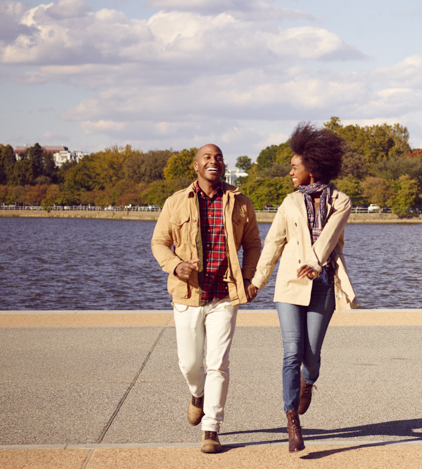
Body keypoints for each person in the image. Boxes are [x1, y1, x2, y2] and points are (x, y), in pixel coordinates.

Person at [250, 123, 358, 452]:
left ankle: (308, 382)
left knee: (311, 359)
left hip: (322, 285)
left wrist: (314, 263)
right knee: (291, 350)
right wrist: (257, 281)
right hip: (289, 286)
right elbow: (272, 244)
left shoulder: (341, 201)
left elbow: (327, 240)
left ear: (311, 169)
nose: (289, 172)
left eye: (294, 167)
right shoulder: (288, 203)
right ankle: (291, 418)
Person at [151, 144, 262, 454]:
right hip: (187, 295)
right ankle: (196, 394)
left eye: (218, 157)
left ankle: (211, 427)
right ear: (196, 166)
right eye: (207, 158)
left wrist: (251, 279)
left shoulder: (241, 203)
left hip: (225, 295)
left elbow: (253, 245)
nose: (214, 162)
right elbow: (159, 242)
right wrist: (176, 265)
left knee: (218, 364)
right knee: (189, 364)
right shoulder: (175, 203)